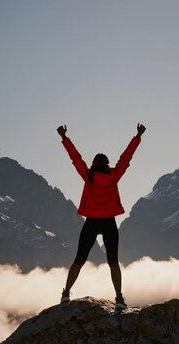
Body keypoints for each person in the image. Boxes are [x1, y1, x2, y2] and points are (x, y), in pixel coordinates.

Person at [57, 123, 146, 310]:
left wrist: (65, 138)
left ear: (94, 165)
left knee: (79, 259)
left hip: (91, 222)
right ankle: (119, 298)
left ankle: (66, 294)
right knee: (113, 261)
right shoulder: (114, 176)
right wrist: (137, 136)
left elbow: (76, 158)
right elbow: (126, 158)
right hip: (109, 222)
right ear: (107, 164)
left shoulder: (87, 176)